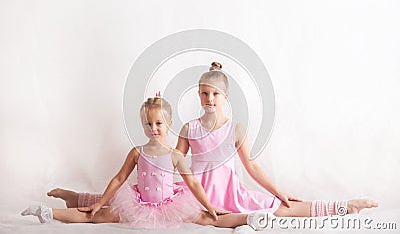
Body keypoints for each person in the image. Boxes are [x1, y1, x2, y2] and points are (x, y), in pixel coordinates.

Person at [47, 62, 378, 220]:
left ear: (225, 97)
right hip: (193, 191)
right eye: (203, 93)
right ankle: (74, 196)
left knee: (283, 209)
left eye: (214, 94)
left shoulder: (235, 128)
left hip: (227, 190)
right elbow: (168, 163)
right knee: (122, 200)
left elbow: (252, 166)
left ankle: (344, 206)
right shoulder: (189, 127)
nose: (208, 98)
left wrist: (277, 190)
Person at [22, 97, 269, 230]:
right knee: (96, 216)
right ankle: (47, 213)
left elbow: (192, 182)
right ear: (143, 125)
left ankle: (249, 219)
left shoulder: (175, 154)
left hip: (170, 204)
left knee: (209, 218)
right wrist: (99, 202)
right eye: (149, 124)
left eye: (159, 124)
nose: (153, 129)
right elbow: (119, 179)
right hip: (139, 204)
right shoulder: (137, 152)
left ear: (168, 124)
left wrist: (209, 205)